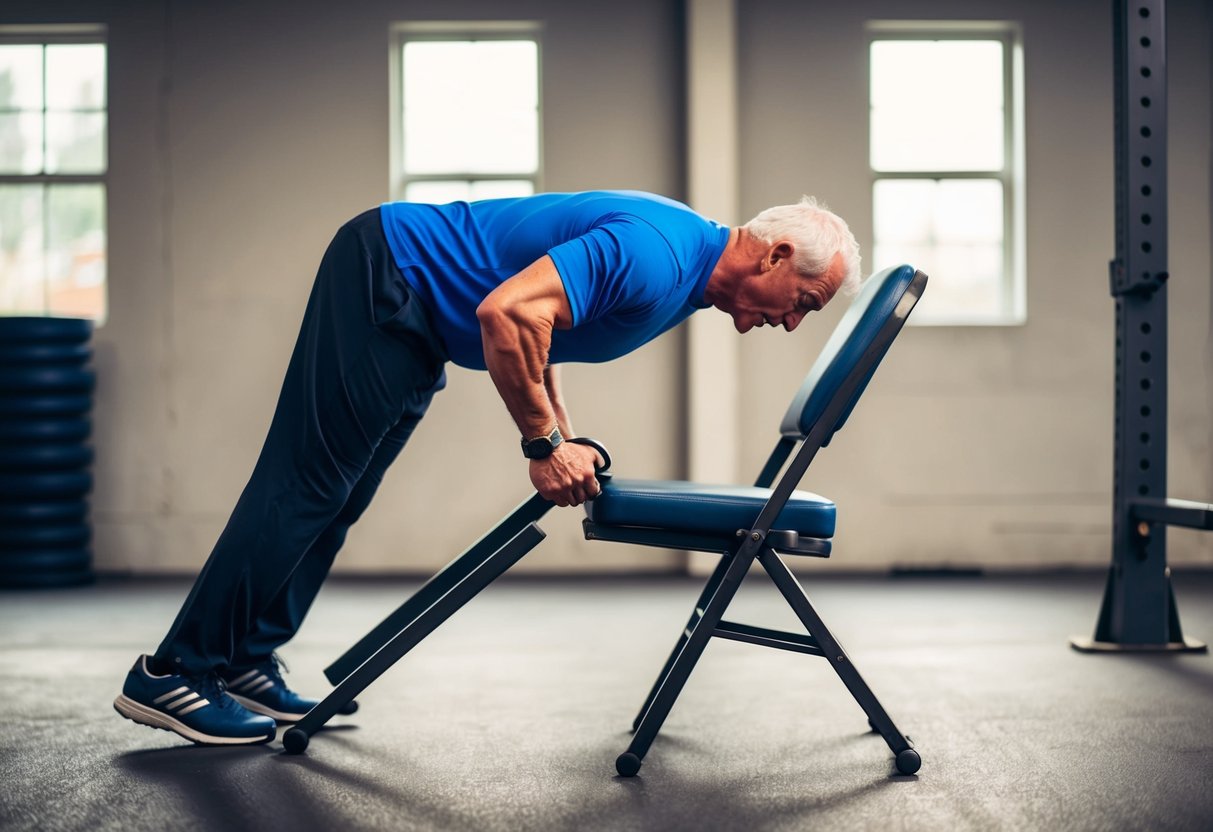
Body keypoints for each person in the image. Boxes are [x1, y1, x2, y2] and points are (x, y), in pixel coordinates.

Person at [113, 190, 861, 745]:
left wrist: (566, 436)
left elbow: (547, 334)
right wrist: (541, 445)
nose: (791, 324)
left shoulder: (687, 281)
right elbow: (507, 314)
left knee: (337, 497)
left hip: (419, 320)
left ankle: (246, 655)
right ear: (774, 256)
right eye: (801, 303)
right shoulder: (659, 254)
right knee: (306, 483)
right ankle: (174, 671)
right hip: (391, 276)